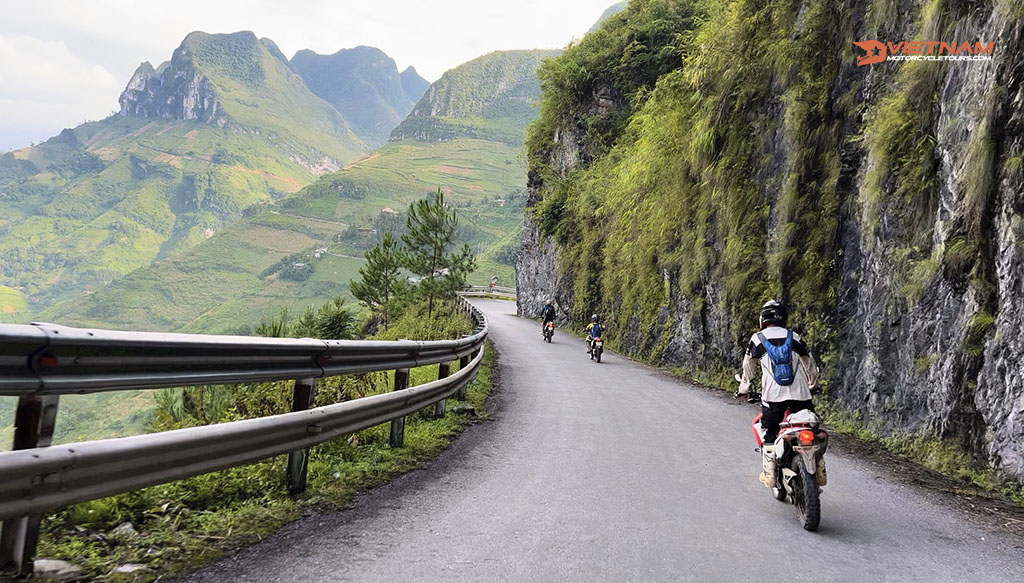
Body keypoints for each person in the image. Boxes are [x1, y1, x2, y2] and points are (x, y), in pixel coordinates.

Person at [737, 300, 818, 488]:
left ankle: (770, 475)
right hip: (801, 396)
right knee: (813, 429)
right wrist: (812, 383)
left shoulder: (757, 339)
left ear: (763, 318)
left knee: (770, 435)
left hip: (773, 398)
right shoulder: (795, 337)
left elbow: (748, 366)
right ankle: (819, 468)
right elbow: (809, 363)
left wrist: (744, 388)